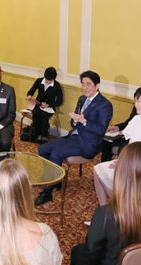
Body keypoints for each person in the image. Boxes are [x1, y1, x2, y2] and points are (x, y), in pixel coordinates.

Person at [35, 70, 113, 206]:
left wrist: (83, 121)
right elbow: (73, 122)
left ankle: (47, 193)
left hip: (88, 143)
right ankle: (57, 179)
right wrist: (76, 121)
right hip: (74, 137)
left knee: (56, 154)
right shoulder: (82, 99)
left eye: (89, 84)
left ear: (97, 86)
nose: (85, 87)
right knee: (42, 149)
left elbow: (100, 130)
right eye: (83, 84)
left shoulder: (105, 105)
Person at [93, 86, 141, 205]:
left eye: (139, 101)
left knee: (116, 179)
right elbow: (130, 145)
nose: (136, 105)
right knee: (98, 170)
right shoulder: (138, 118)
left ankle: (120, 208)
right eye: (135, 101)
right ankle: (106, 209)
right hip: (130, 162)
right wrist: (121, 161)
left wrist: (124, 165)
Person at [26, 67, 64, 142]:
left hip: (49, 107)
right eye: (46, 79)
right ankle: (35, 133)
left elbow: (59, 101)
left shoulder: (56, 85)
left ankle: (44, 135)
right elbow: (31, 91)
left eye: (50, 81)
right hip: (38, 104)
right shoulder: (39, 81)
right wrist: (29, 96)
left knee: (44, 114)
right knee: (36, 113)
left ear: (54, 78)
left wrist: (48, 105)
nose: (47, 82)